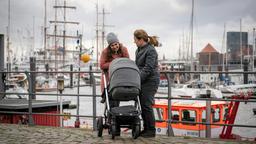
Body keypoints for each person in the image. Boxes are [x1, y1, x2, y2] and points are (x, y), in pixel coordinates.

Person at [133, 29, 160, 138]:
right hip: (142, 80)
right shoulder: (138, 49)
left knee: (147, 105)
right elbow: (138, 66)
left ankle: (151, 130)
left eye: (135, 40)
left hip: (150, 80)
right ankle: (146, 128)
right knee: (142, 105)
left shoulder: (151, 50)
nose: (134, 42)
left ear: (140, 39)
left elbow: (148, 68)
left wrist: (137, 79)